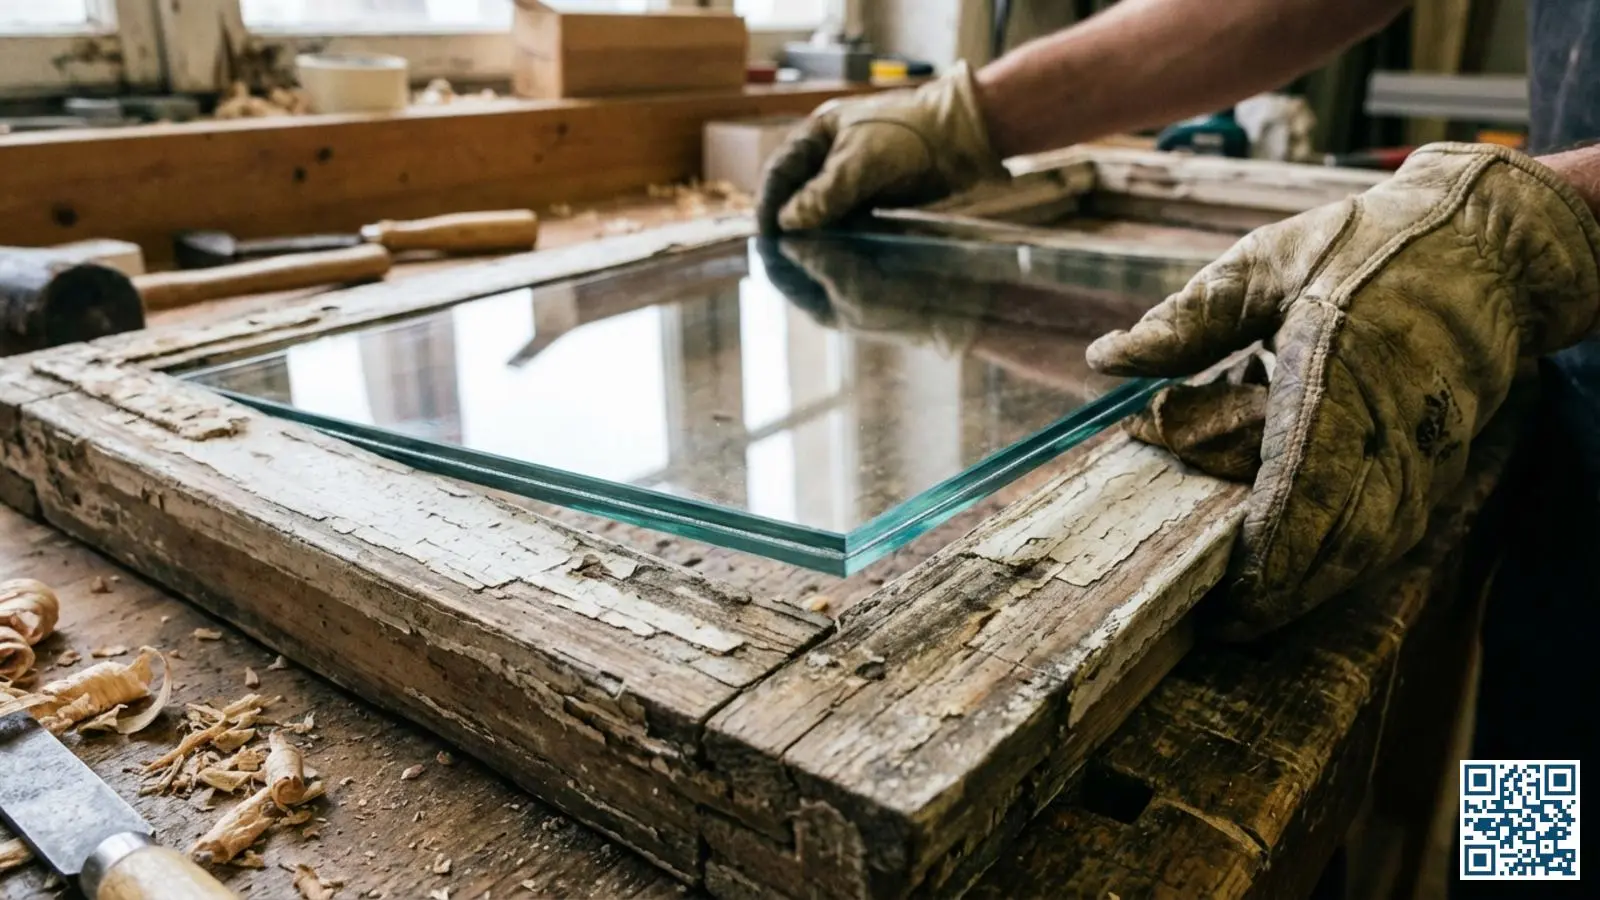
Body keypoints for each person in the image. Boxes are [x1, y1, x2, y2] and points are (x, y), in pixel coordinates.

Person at [757, 0, 1595, 890]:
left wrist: (1529, 235)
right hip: (1575, 428)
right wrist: (968, 114)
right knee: (1539, 782)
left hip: (1560, 294)